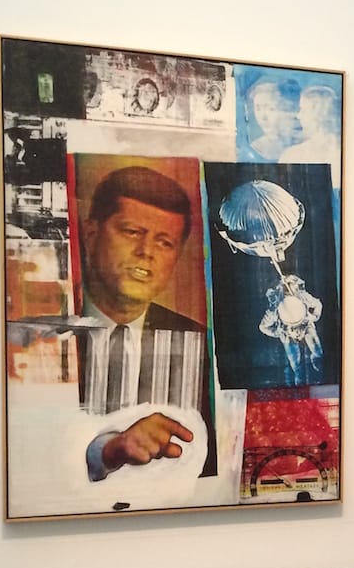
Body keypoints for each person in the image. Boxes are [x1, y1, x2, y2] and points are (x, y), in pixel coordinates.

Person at [77, 165, 214, 481]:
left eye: (164, 242)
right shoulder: (41, 336)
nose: (146, 252)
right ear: (91, 234)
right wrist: (106, 451)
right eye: (132, 232)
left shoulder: (203, 346)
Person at [245, 77, 302, 161]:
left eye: (271, 109)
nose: (263, 117)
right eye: (258, 109)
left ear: (285, 109)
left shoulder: (303, 143)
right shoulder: (258, 148)